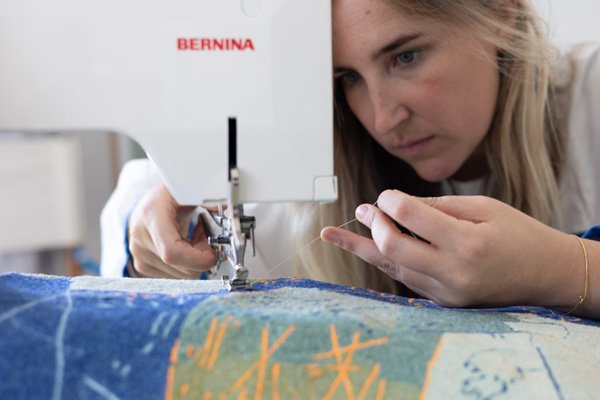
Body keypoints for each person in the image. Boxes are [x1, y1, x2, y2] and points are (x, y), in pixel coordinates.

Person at [101, 0, 600, 320]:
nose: (382, 118)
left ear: (500, 12)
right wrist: (150, 229)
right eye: (349, 78)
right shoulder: (327, 166)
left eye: (405, 57)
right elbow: (144, 197)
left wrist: (556, 269)